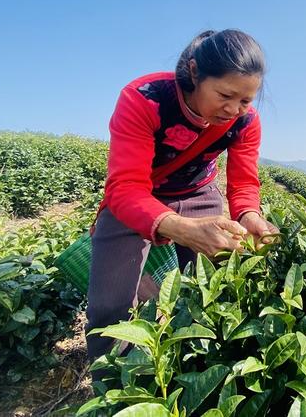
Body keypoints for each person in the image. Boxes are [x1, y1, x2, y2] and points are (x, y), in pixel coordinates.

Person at [86, 29, 278, 365]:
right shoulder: (144, 98)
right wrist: (182, 228)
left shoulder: (246, 121)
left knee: (206, 290)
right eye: (225, 95)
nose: (234, 109)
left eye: (246, 100)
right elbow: (127, 187)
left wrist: (250, 216)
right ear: (194, 72)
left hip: (198, 194)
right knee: (110, 307)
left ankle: (191, 370)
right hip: (138, 197)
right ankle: (116, 391)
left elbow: (244, 182)